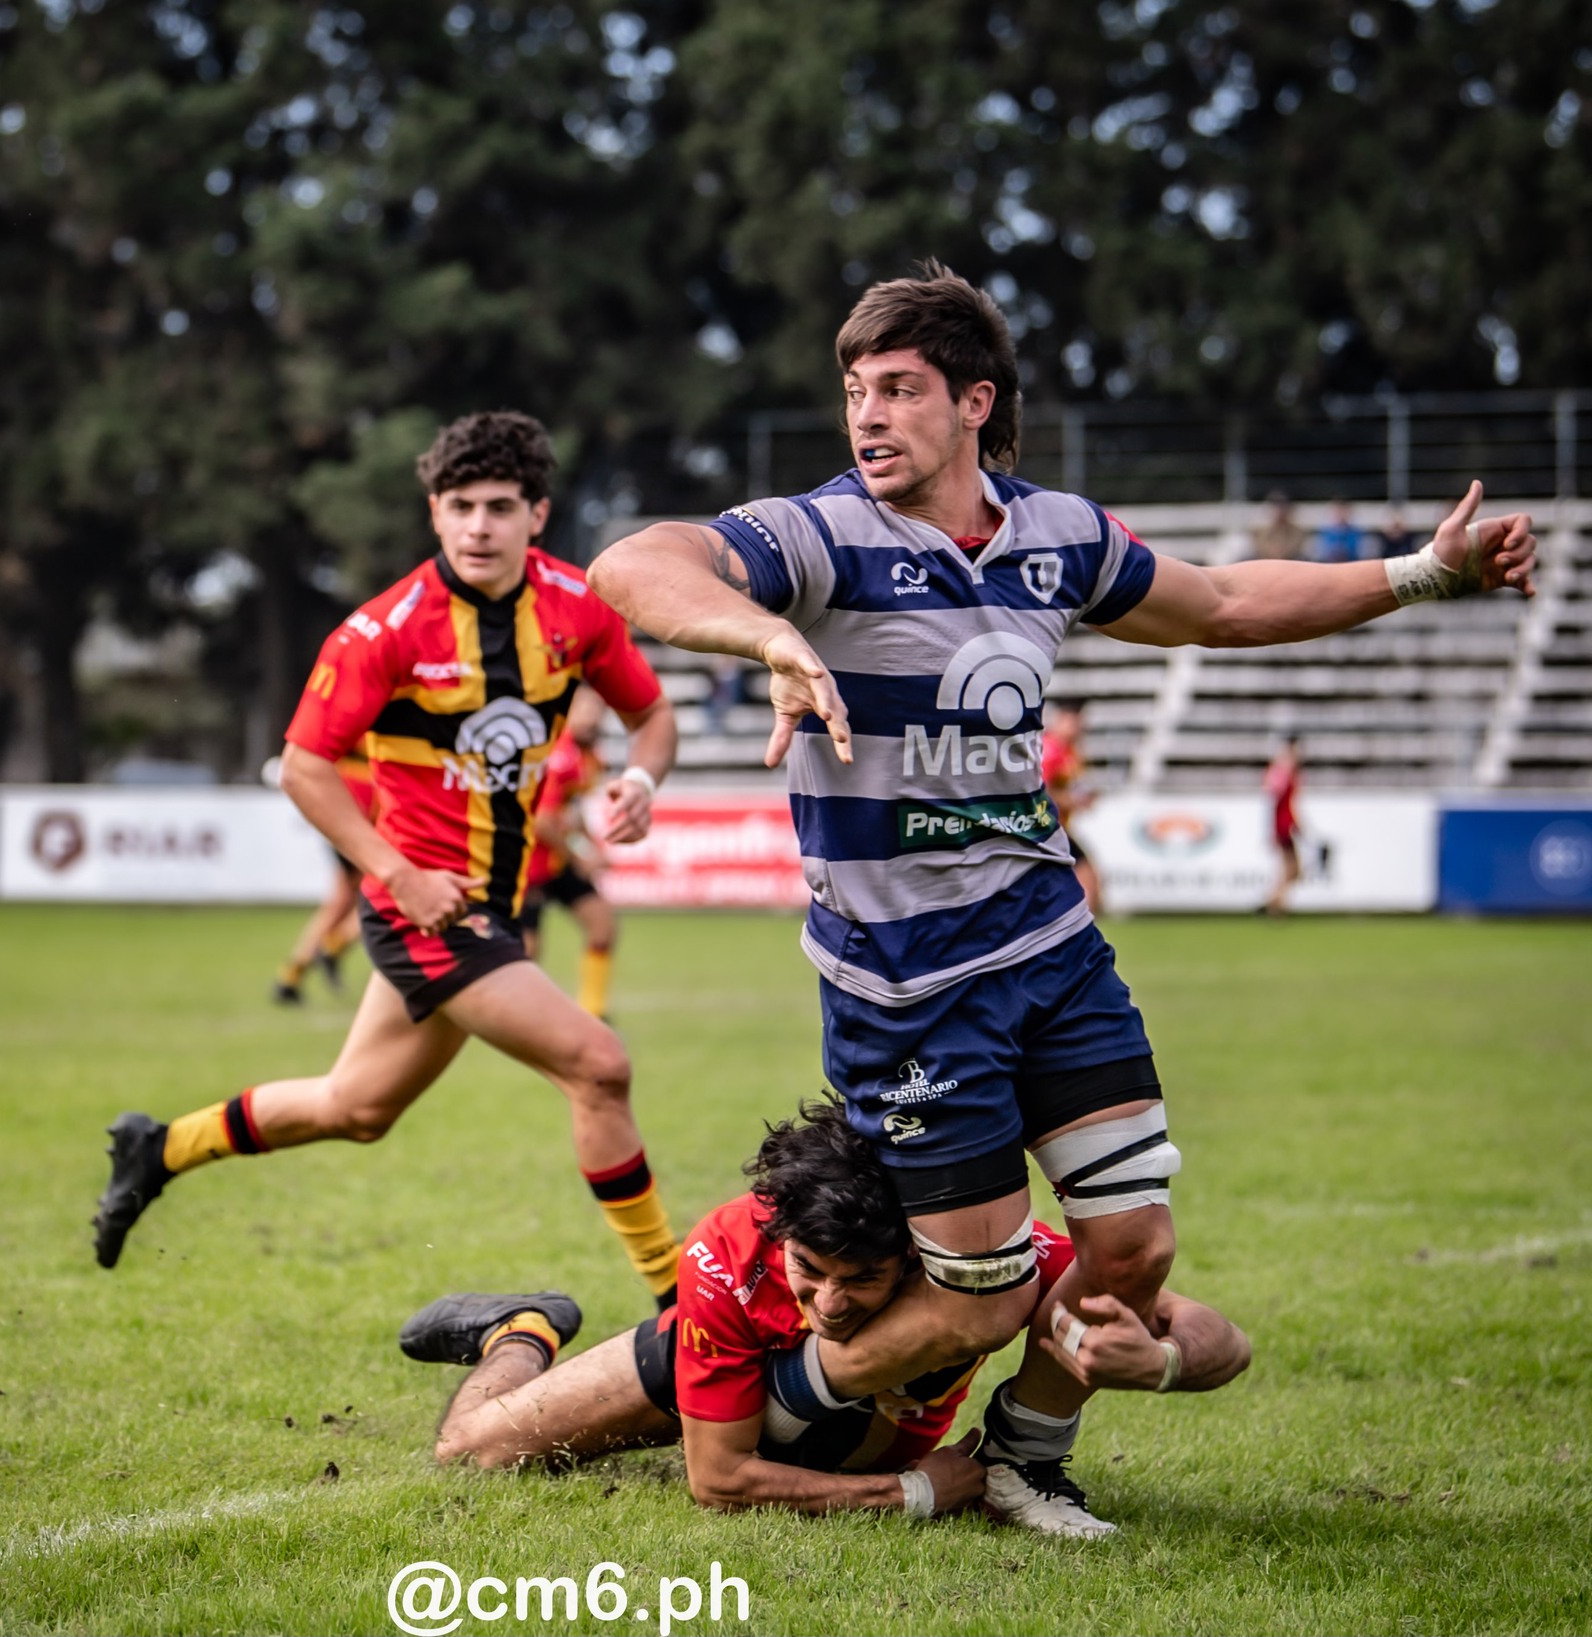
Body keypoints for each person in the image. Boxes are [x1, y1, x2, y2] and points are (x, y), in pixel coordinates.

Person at [587, 260, 1534, 1533]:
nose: (867, 416)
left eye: (901, 389)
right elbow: (635, 562)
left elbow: (1228, 603)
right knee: (975, 1289)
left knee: (1135, 1250)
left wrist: (1421, 572)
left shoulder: (1058, 539)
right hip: (905, 988)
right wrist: (759, 634)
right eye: (855, 390)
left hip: (1049, 949)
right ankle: (765, 1409)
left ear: (976, 401)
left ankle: (1026, 1459)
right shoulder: (818, 536)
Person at [93, 412, 687, 1305]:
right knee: (598, 1063)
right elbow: (303, 767)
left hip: (489, 900)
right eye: (458, 507)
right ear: (434, 514)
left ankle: (162, 1146)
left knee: (357, 1107)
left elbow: (654, 715)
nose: (477, 526)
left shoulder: (579, 608)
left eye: (498, 506)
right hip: (424, 905)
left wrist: (642, 779)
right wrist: (395, 870)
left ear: (538, 513)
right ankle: (679, 1303)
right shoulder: (385, 631)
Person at [403, 1098, 1250, 1519]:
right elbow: (719, 1478)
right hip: (702, 1373)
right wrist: (913, 1491)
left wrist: (1163, 1361)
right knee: (471, 1451)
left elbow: (1225, 1340)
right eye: (810, 1270)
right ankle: (521, 1327)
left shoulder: (982, 1262)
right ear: (780, 1239)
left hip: (848, 1418)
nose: (831, 1302)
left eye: (863, 1279)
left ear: (918, 1257)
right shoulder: (728, 1257)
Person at [520, 686, 620, 1019]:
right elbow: (544, 822)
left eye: (597, 707)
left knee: (602, 926)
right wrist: (581, 857)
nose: (592, 715)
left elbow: (570, 812)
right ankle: (521, 1018)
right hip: (530, 862)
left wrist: (592, 846)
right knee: (527, 952)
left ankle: (594, 1012)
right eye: (584, 708)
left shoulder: (590, 755)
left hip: (559, 859)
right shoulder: (557, 754)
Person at [271, 742, 375, 1004]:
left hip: (344, 796)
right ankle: (333, 946)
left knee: (340, 903)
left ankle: (290, 976)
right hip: (366, 798)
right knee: (380, 898)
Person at [1040, 704, 1099, 914]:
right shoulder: (1052, 750)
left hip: (1059, 826)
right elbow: (1040, 792)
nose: (1079, 726)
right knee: (1087, 877)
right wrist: (1071, 801)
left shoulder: (1071, 751)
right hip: (1046, 826)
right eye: (1073, 720)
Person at [1262, 737, 1303, 916]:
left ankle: (1274, 901)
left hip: (1285, 824)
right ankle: (1274, 903)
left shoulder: (1288, 770)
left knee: (1290, 870)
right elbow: (1275, 799)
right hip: (1283, 826)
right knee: (1291, 869)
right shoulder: (1283, 769)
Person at [1251, 492, 1306, 561]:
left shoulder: (1298, 531)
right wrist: (1272, 552)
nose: (1279, 511)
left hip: (1290, 562)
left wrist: (1281, 553)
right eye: (1275, 508)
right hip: (1267, 561)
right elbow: (1261, 546)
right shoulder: (1260, 531)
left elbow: (1296, 546)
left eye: (1282, 507)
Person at [1313, 499, 1363, 564]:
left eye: (1343, 512)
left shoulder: (1357, 534)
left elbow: (1358, 554)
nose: (1340, 515)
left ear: (1349, 513)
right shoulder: (1322, 535)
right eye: (1337, 512)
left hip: (1350, 566)